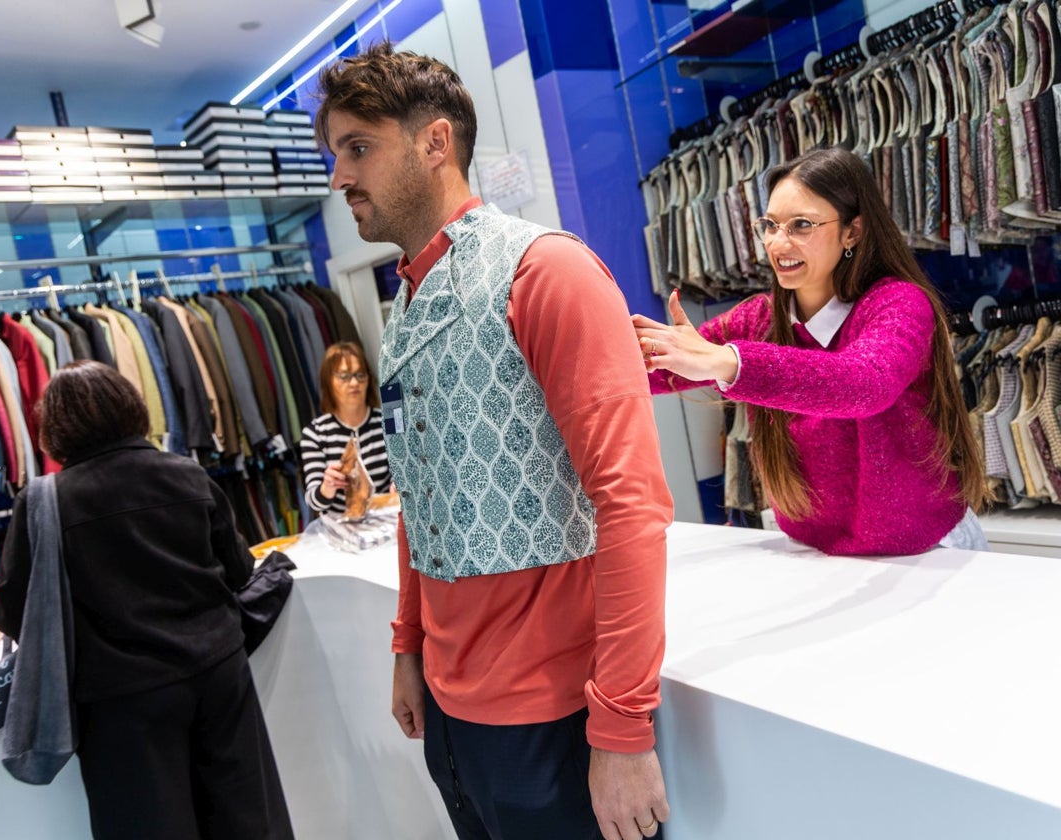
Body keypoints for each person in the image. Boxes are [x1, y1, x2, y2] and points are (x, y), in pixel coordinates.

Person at [317, 42, 674, 840]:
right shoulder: (406, 302)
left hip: (551, 715)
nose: (339, 177)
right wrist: (408, 645)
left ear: (434, 142)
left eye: (358, 148)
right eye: (337, 153)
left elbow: (632, 504)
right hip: (450, 709)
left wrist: (620, 726)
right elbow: (421, 489)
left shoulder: (546, 272)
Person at [634, 146, 989, 555]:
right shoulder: (757, 319)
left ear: (852, 232)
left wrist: (729, 362)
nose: (778, 243)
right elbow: (648, 370)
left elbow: (864, 383)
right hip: (815, 555)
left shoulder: (899, 304)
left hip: (929, 554)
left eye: (801, 225)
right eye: (770, 224)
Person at [0, 361, 291, 840]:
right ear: (130, 404)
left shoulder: (47, 500)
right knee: (248, 820)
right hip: (218, 673)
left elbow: (15, 613)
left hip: (123, 701)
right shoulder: (186, 475)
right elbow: (238, 571)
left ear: (55, 426)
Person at [299, 341, 391, 515]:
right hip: (339, 529)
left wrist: (399, 486)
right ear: (328, 382)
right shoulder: (315, 434)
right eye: (344, 376)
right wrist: (327, 487)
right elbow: (313, 501)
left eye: (360, 374)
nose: (354, 382)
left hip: (385, 520)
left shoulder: (387, 422)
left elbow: (402, 473)